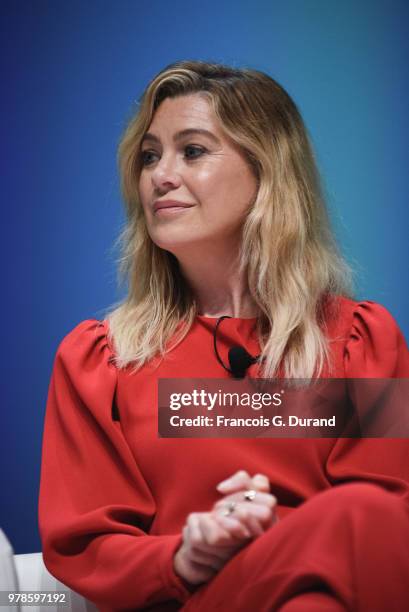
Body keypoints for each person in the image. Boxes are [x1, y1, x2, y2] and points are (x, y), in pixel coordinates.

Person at [39, 61, 409, 612]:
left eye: (191, 151)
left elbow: (391, 524)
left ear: (267, 171)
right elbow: (86, 546)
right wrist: (188, 554)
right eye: (148, 156)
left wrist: (277, 533)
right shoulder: (102, 361)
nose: (160, 176)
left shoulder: (359, 341)